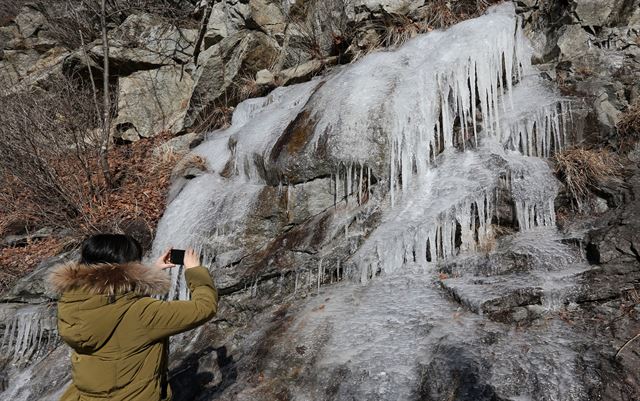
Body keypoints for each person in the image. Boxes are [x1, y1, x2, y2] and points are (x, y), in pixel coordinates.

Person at [47, 234, 218, 401]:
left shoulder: (72, 302)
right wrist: (195, 270)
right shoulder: (142, 313)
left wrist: (152, 272)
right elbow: (204, 307)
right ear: (127, 268)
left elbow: (115, 300)